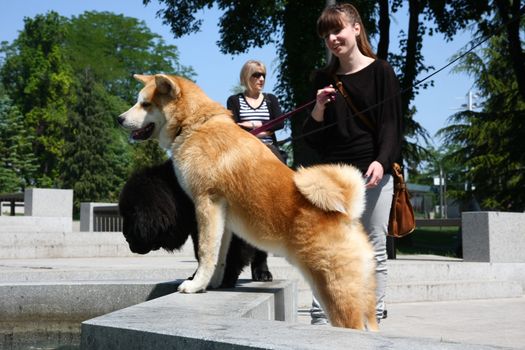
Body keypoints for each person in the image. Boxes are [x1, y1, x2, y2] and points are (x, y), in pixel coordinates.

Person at [303, 3, 402, 325]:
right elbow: (313, 140)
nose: (332, 38)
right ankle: (321, 319)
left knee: (373, 248)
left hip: (373, 174)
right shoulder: (322, 78)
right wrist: (317, 108)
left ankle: (371, 317)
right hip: (333, 178)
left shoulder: (381, 71)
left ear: (356, 29)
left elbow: (391, 125)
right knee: (327, 249)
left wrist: (381, 162)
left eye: (338, 29)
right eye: (326, 33)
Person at [226, 60, 285, 159]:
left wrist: (254, 124)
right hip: (244, 153)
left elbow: (279, 123)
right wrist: (267, 130)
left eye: (263, 75)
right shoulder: (234, 100)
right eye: (257, 75)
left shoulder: (271, 99)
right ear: (246, 76)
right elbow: (235, 128)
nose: (261, 79)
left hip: (269, 152)